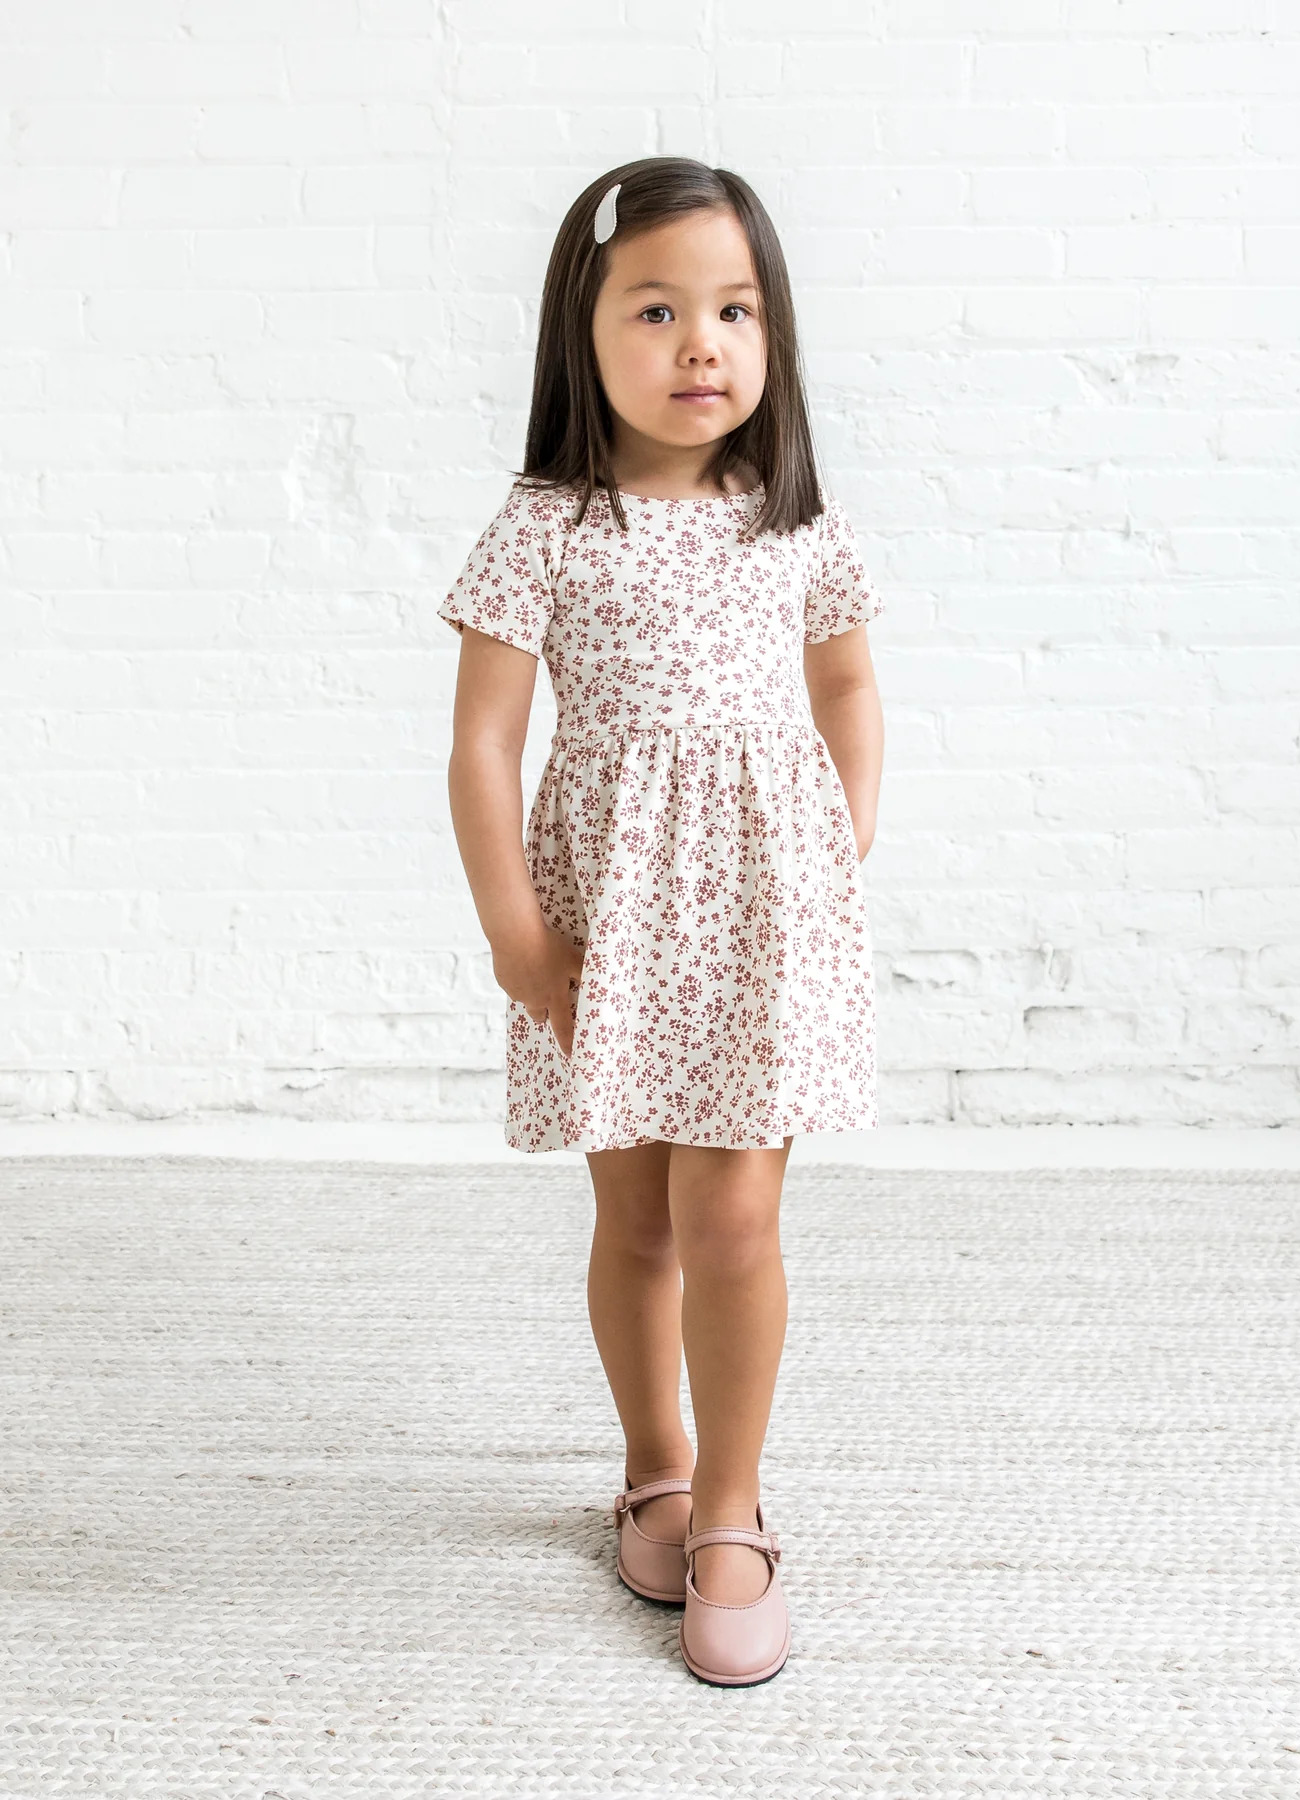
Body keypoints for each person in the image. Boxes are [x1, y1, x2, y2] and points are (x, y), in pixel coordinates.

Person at [441, 157, 885, 1686]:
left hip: (764, 920)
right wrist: (514, 929)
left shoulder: (790, 520)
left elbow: (844, 685)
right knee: (634, 1219)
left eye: (734, 310)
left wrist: (842, 846)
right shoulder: (547, 524)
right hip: (609, 929)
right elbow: (483, 740)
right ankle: (656, 1468)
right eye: (659, 308)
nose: (704, 343)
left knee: (737, 1218)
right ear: (585, 334)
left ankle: (736, 1513)